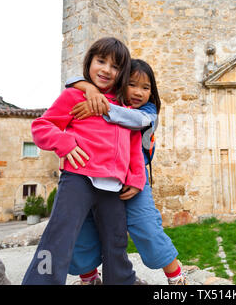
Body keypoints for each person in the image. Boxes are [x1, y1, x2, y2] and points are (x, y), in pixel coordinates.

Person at [22, 37, 145, 285]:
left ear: (122, 73)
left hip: (113, 186)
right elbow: (41, 126)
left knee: (117, 238)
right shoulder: (74, 96)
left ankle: (122, 281)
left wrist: (136, 177)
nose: (106, 70)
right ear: (90, 62)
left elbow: (134, 146)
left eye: (115, 66)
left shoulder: (124, 108)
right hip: (78, 178)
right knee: (60, 235)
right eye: (101, 61)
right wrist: (65, 144)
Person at [65, 59, 187, 285]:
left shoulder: (147, 112)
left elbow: (136, 120)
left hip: (134, 178)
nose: (139, 92)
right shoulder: (107, 97)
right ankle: (90, 278)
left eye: (146, 87)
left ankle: (176, 276)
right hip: (95, 173)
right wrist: (91, 90)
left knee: (145, 224)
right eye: (132, 84)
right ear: (120, 83)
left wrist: (101, 107)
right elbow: (70, 82)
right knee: (83, 226)